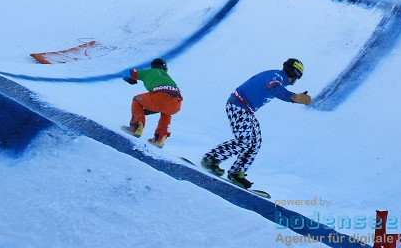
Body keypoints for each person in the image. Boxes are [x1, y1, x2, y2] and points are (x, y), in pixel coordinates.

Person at [201, 59, 311, 189]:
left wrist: (293, 97)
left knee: (255, 142)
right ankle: (211, 158)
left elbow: (276, 88)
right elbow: (275, 88)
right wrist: (293, 97)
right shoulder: (277, 77)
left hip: (246, 109)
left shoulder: (276, 75)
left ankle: (237, 172)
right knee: (244, 141)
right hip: (238, 105)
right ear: (295, 77)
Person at [123, 58, 182, 148]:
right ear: (165, 68)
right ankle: (160, 138)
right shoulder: (167, 76)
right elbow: (167, 101)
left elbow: (126, 72)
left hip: (160, 98)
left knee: (136, 99)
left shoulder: (148, 72)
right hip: (176, 103)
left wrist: (129, 79)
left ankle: (136, 128)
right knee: (166, 112)